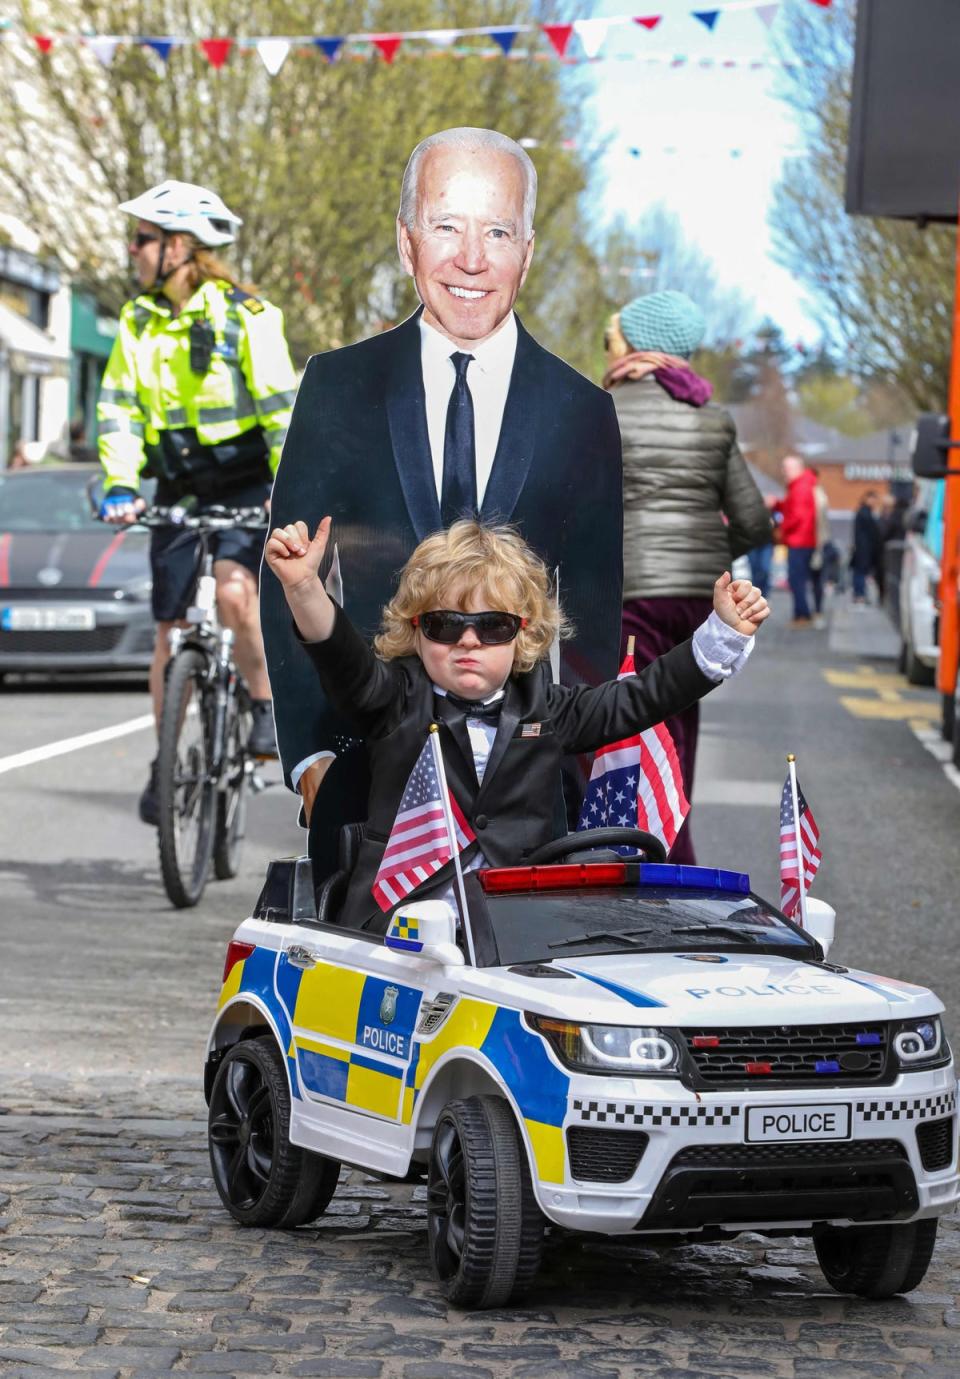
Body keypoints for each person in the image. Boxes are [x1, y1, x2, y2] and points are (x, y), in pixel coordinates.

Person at [262, 127, 624, 881]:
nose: (470, 258)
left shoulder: (581, 409)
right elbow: (287, 581)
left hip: (523, 815)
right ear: (406, 242)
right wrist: (311, 762)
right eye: (446, 227)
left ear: (527, 249)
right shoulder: (337, 386)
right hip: (361, 799)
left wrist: (569, 771)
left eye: (496, 231)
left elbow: (595, 613)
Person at [265, 517, 770, 931]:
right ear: (415, 632)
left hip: (518, 925)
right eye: (445, 625)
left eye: (493, 626)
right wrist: (304, 585)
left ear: (522, 635)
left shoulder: (546, 707)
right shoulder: (393, 697)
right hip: (401, 921)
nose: (468, 642)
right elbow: (341, 659)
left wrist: (721, 635)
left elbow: (641, 699)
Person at [97, 179, 298, 825]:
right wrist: (121, 484)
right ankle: (166, 755)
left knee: (238, 594)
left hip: (245, 483)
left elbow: (278, 413)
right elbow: (120, 408)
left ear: (178, 247)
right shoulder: (137, 318)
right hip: (178, 485)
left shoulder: (247, 315)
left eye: (143, 239)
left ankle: (263, 703)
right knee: (171, 629)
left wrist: (286, 487)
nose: (133, 250)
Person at [602, 291, 771, 864]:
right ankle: (674, 850)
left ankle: (647, 859)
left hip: (627, 597)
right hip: (700, 602)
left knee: (627, 725)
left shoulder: (604, 409)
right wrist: (712, 563)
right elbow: (753, 519)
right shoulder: (712, 417)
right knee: (679, 723)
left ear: (632, 342)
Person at [778, 455, 818, 627]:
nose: (783, 472)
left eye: (786, 469)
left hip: (799, 541)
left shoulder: (800, 487)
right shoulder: (802, 485)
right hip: (802, 540)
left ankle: (802, 615)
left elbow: (797, 515)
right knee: (798, 580)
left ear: (796, 469)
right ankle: (802, 614)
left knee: (796, 580)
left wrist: (782, 529)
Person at [809, 466, 831, 630]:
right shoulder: (821, 494)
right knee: (817, 580)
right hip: (820, 542)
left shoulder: (815, 495)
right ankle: (817, 612)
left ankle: (815, 612)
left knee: (815, 579)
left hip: (814, 543)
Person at [850, 490, 881, 605]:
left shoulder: (864, 512)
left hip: (863, 548)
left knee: (860, 572)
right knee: (860, 572)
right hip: (863, 549)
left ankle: (859, 594)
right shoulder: (865, 513)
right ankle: (859, 595)